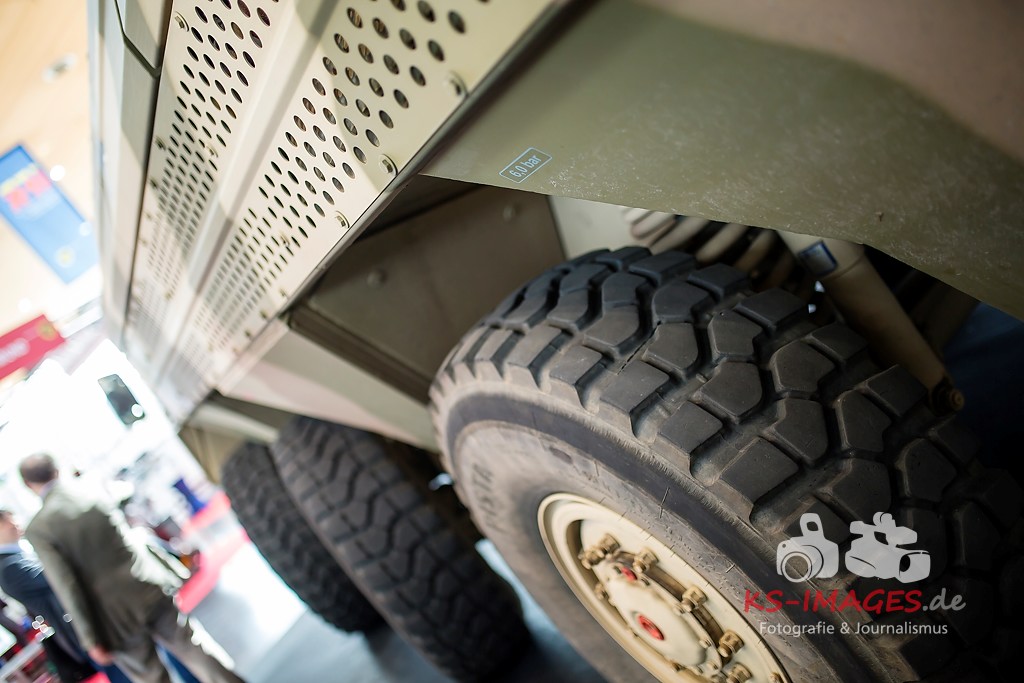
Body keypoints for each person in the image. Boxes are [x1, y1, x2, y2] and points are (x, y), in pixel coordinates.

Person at [18, 454, 246, 683]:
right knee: (193, 647)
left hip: (113, 616)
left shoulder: (40, 529)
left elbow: (66, 585)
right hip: (146, 583)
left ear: (29, 484)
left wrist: (90, 639)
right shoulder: (90, 491)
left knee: (151, 677)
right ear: (56, 469)